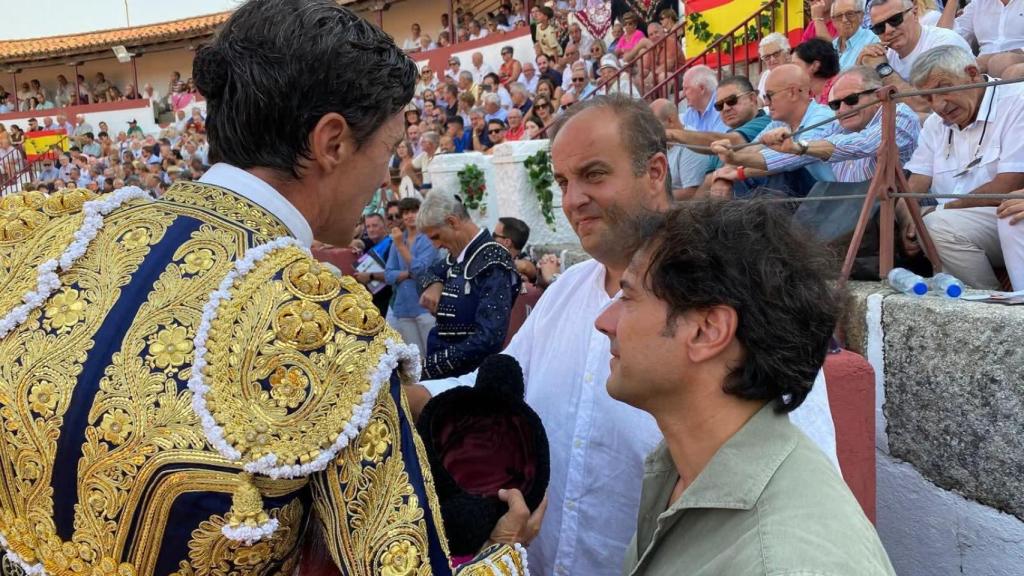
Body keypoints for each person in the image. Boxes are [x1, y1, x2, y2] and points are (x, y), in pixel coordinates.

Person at [0, 1, 539, 574]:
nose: (386, 176)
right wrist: (503, 550)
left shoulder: (50, 240)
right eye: (387, 150)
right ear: (332, 142)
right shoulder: (325, 325)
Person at [411, 95, 840, 576]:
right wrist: (413, 394)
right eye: (562, 182)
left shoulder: (735, 293)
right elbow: (495, 389)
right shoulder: (566, 291)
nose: (573, 199)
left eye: (594, 174)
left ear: (656, 172)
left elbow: (799, 488)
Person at [600, 200, 896, 576]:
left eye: (627, 297)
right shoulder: (682, 470)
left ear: (707, 330)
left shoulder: (784, 561)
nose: (604, 321)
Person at [902, 46, 1024, 290]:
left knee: (939, 223)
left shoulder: (1016, 100)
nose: (938, 105)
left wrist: (940, 209)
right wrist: (909, 221)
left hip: (1002, 212)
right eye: (927, 98)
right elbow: (914, 184)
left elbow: (1008, 185)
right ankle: (988, 304)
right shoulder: (936, 125)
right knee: (931, 226)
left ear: (972, 73)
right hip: (962, 224)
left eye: (942, 90)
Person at [715, 66, 920, 184]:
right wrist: (735, 160)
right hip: (851, 212)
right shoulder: (838, 123)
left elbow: (864, 144)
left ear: (877, 96)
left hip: (894, 211)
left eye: (851, 100)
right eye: (835, 104)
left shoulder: (899, 114)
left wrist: (798, 147)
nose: (842, 109)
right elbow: (787, 158)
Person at [417, 191, 521, 379]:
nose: (436, 245)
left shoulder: (493, 261)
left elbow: (488, 338)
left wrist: (430, 366)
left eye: (436, 236)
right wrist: (434, 284)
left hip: (470, 377)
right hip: (449, 373)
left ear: (452, 222)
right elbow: (428, 273)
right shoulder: (459, 255)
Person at [709, 64, 836, 197]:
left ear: (792, 93)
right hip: (810, 197)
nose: (766, 103)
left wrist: (738, 170)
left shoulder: (821, 117)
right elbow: (751, 149)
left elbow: (790, 159)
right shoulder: (779, 122)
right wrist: (724, 174)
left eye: (769, 96)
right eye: (764, 97)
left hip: (832, 200)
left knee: (779, 171)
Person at [857, 0, 971, 114]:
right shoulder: (883, 55)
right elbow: (856, 107)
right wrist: (860, 64)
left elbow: (926, 106)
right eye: (879, 27)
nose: (888, 30)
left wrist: (883, 70)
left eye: (895, 20)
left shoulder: (943, 43)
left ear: (915, 14)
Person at [385, 197, 438, 355]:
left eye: (414, 211)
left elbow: (420, 271)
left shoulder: (428, 238)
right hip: (404, 307)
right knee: (415, 360)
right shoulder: (398, 240)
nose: (409, 216)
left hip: (425, 306)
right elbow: (388, 275)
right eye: (406, 213)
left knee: (431, 355)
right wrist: (408, 274)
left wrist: (401, 246)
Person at [651, 99, 710, 198]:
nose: (650, 130)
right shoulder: (659, 142)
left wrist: (651, 197)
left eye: (653, 125)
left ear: (670, 120)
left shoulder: (690, 145)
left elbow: (691, 193)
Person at [948, 0, 1024, 77]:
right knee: (955, 70)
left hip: (1018, 57)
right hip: (983, 62)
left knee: (1003, 62)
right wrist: (952, 2)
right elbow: (945, 37)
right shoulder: (978, 3)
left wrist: (993, 58)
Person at [832, 0, 879, 71]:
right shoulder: (832, 45)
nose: (844, 20)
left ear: (861, 16)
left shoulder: (873, 41)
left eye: (850, 14)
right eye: (839, 16)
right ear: (833, 21)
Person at [792, 38, 841, 104]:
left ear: (815, 66)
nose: (791, 70)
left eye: (795, 65)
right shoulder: (806, 93)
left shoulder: (839, 92)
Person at [681, 65, 728, 132]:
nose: (683, 94)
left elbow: (718, 140)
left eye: (686, 88)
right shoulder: (691, 111)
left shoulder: (722, 106)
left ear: (702, 88)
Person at [494, 216, 537, 283]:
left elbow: (526, 267)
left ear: (507, 242)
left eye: (494, 235)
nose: (491, 238)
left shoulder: (526, 259)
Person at [757, 33, 792, 101]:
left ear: (787, 53)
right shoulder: (766, 75)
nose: (772, 59)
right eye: (767, 57)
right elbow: (761, 101)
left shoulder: (797, 73)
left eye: (776, 54)